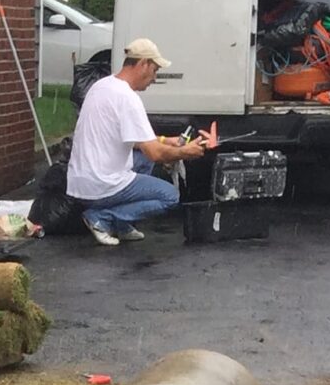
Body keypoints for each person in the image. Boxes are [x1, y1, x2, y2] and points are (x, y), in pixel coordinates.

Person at [65, 40, 219, 248]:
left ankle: (121, 224)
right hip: (101, 186)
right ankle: (103, 217)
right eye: (154, 70)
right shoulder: (128, 98)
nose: (154, 78)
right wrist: (185, 152)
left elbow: (137, 140)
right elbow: (155, 153)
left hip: (80, 181)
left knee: (143, 160)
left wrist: (169, 141)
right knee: (169, 197)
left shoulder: (102, 86)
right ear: (143, 64)